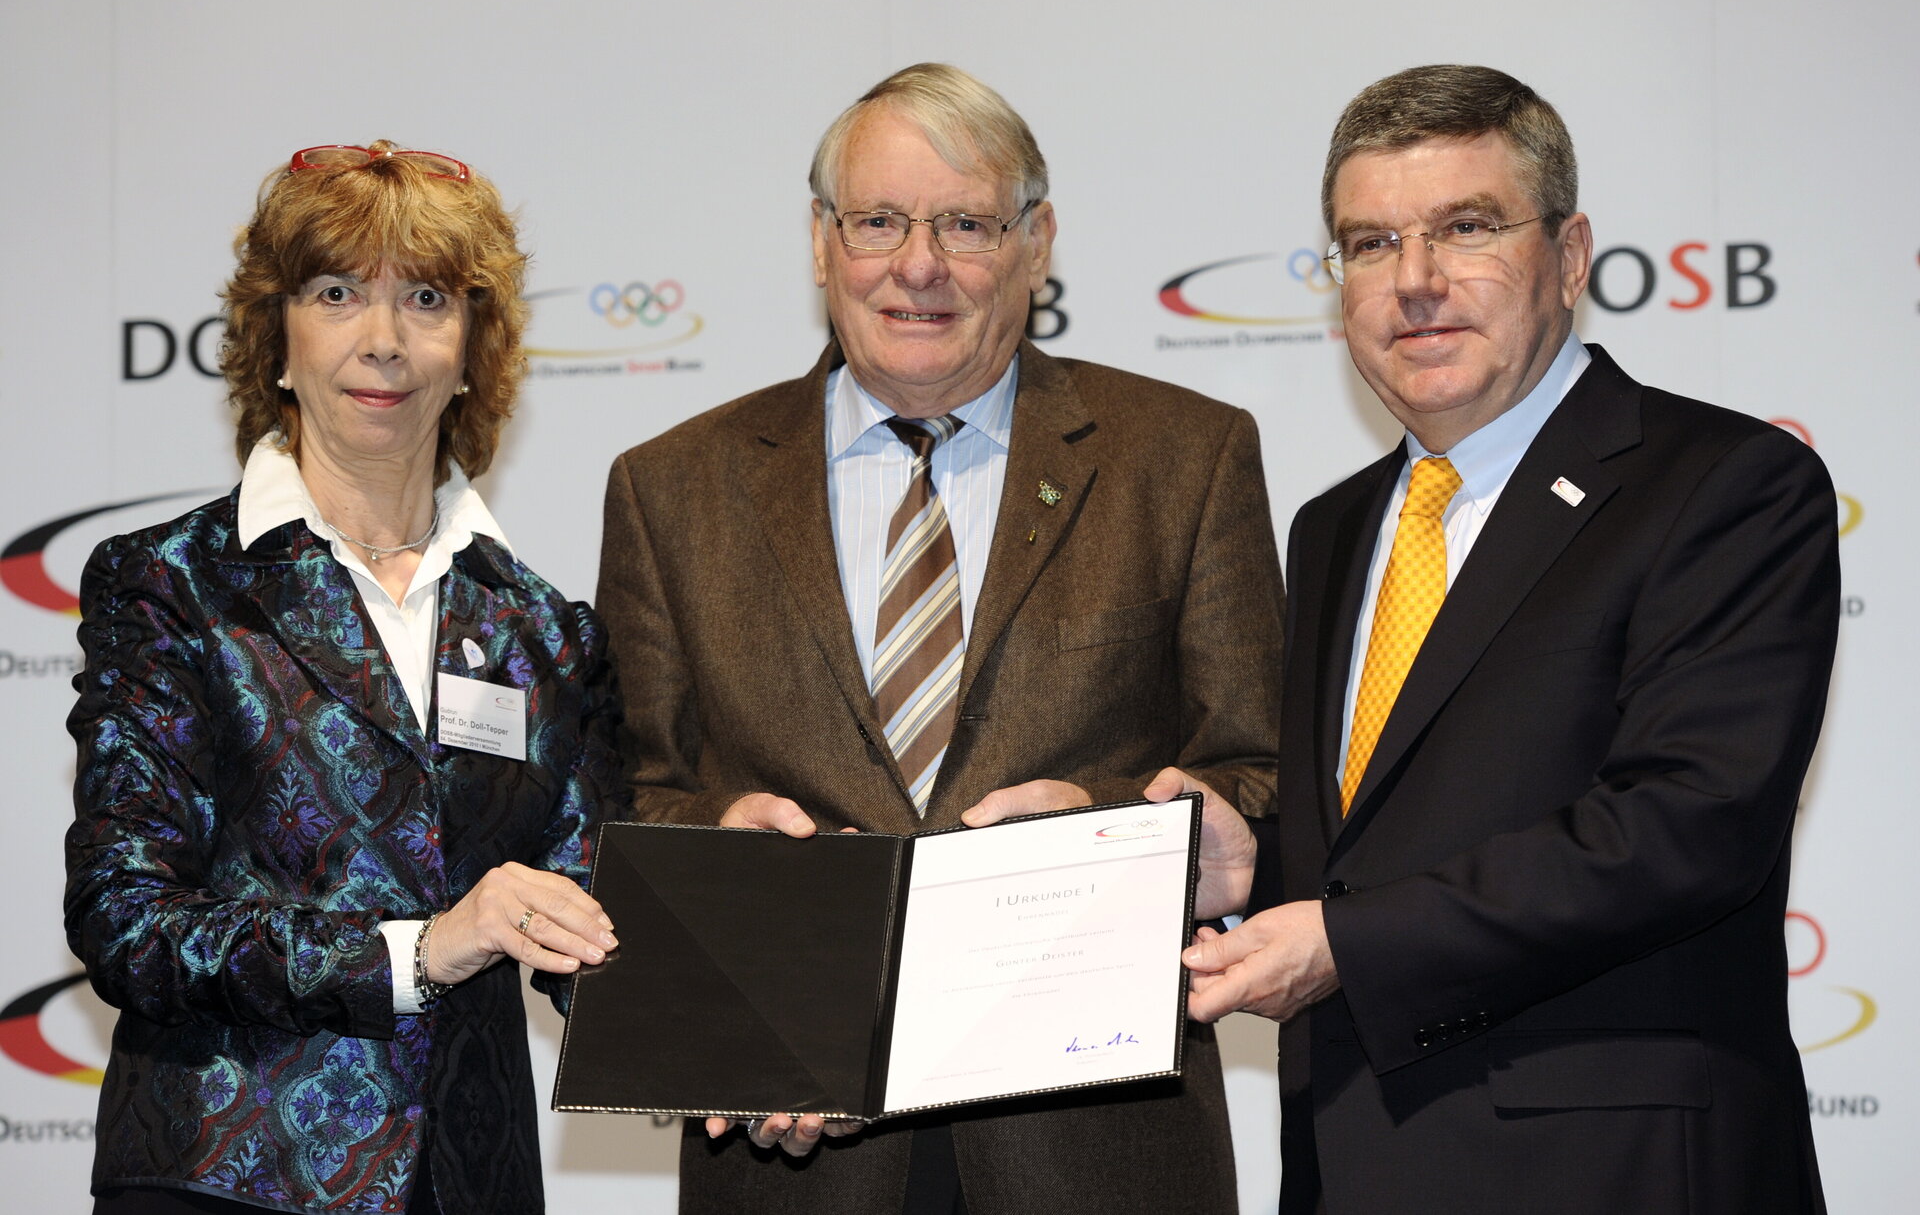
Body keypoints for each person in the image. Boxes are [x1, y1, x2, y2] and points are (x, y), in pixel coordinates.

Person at [597, 64, 1284, 1215]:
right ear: (821, 243)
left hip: (1098, 1149)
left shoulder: (1185, 456)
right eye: (877, 221)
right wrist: (718, 865)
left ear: (1036, 242)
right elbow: (629, 800)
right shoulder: (671, 487)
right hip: (790, 1146)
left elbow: (1258, 778)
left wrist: (1102, 829)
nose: (918, 265)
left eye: (966, 224)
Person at [1153, 65, 1835, 1214]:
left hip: (1614, 1172)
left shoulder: (1725, 485)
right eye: (1370, 243)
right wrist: (1248, 867)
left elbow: (1685, 825)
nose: (1415, 280)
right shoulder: (1334, 526)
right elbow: (1385, 844)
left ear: (1569, 256)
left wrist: (1349, 943)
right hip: (1356, 1166)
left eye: (1465, 228)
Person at [64, 142, 628, 1214]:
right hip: (228, 1183)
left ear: (474, 351)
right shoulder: (172, 583)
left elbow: (590, 921)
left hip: (472, 1184)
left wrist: (752, 948)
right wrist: (416, 951)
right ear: (275, 340)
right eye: (336, 293)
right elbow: (128, 919)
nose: (383, 339)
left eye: (426, 298)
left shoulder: (546, 630)